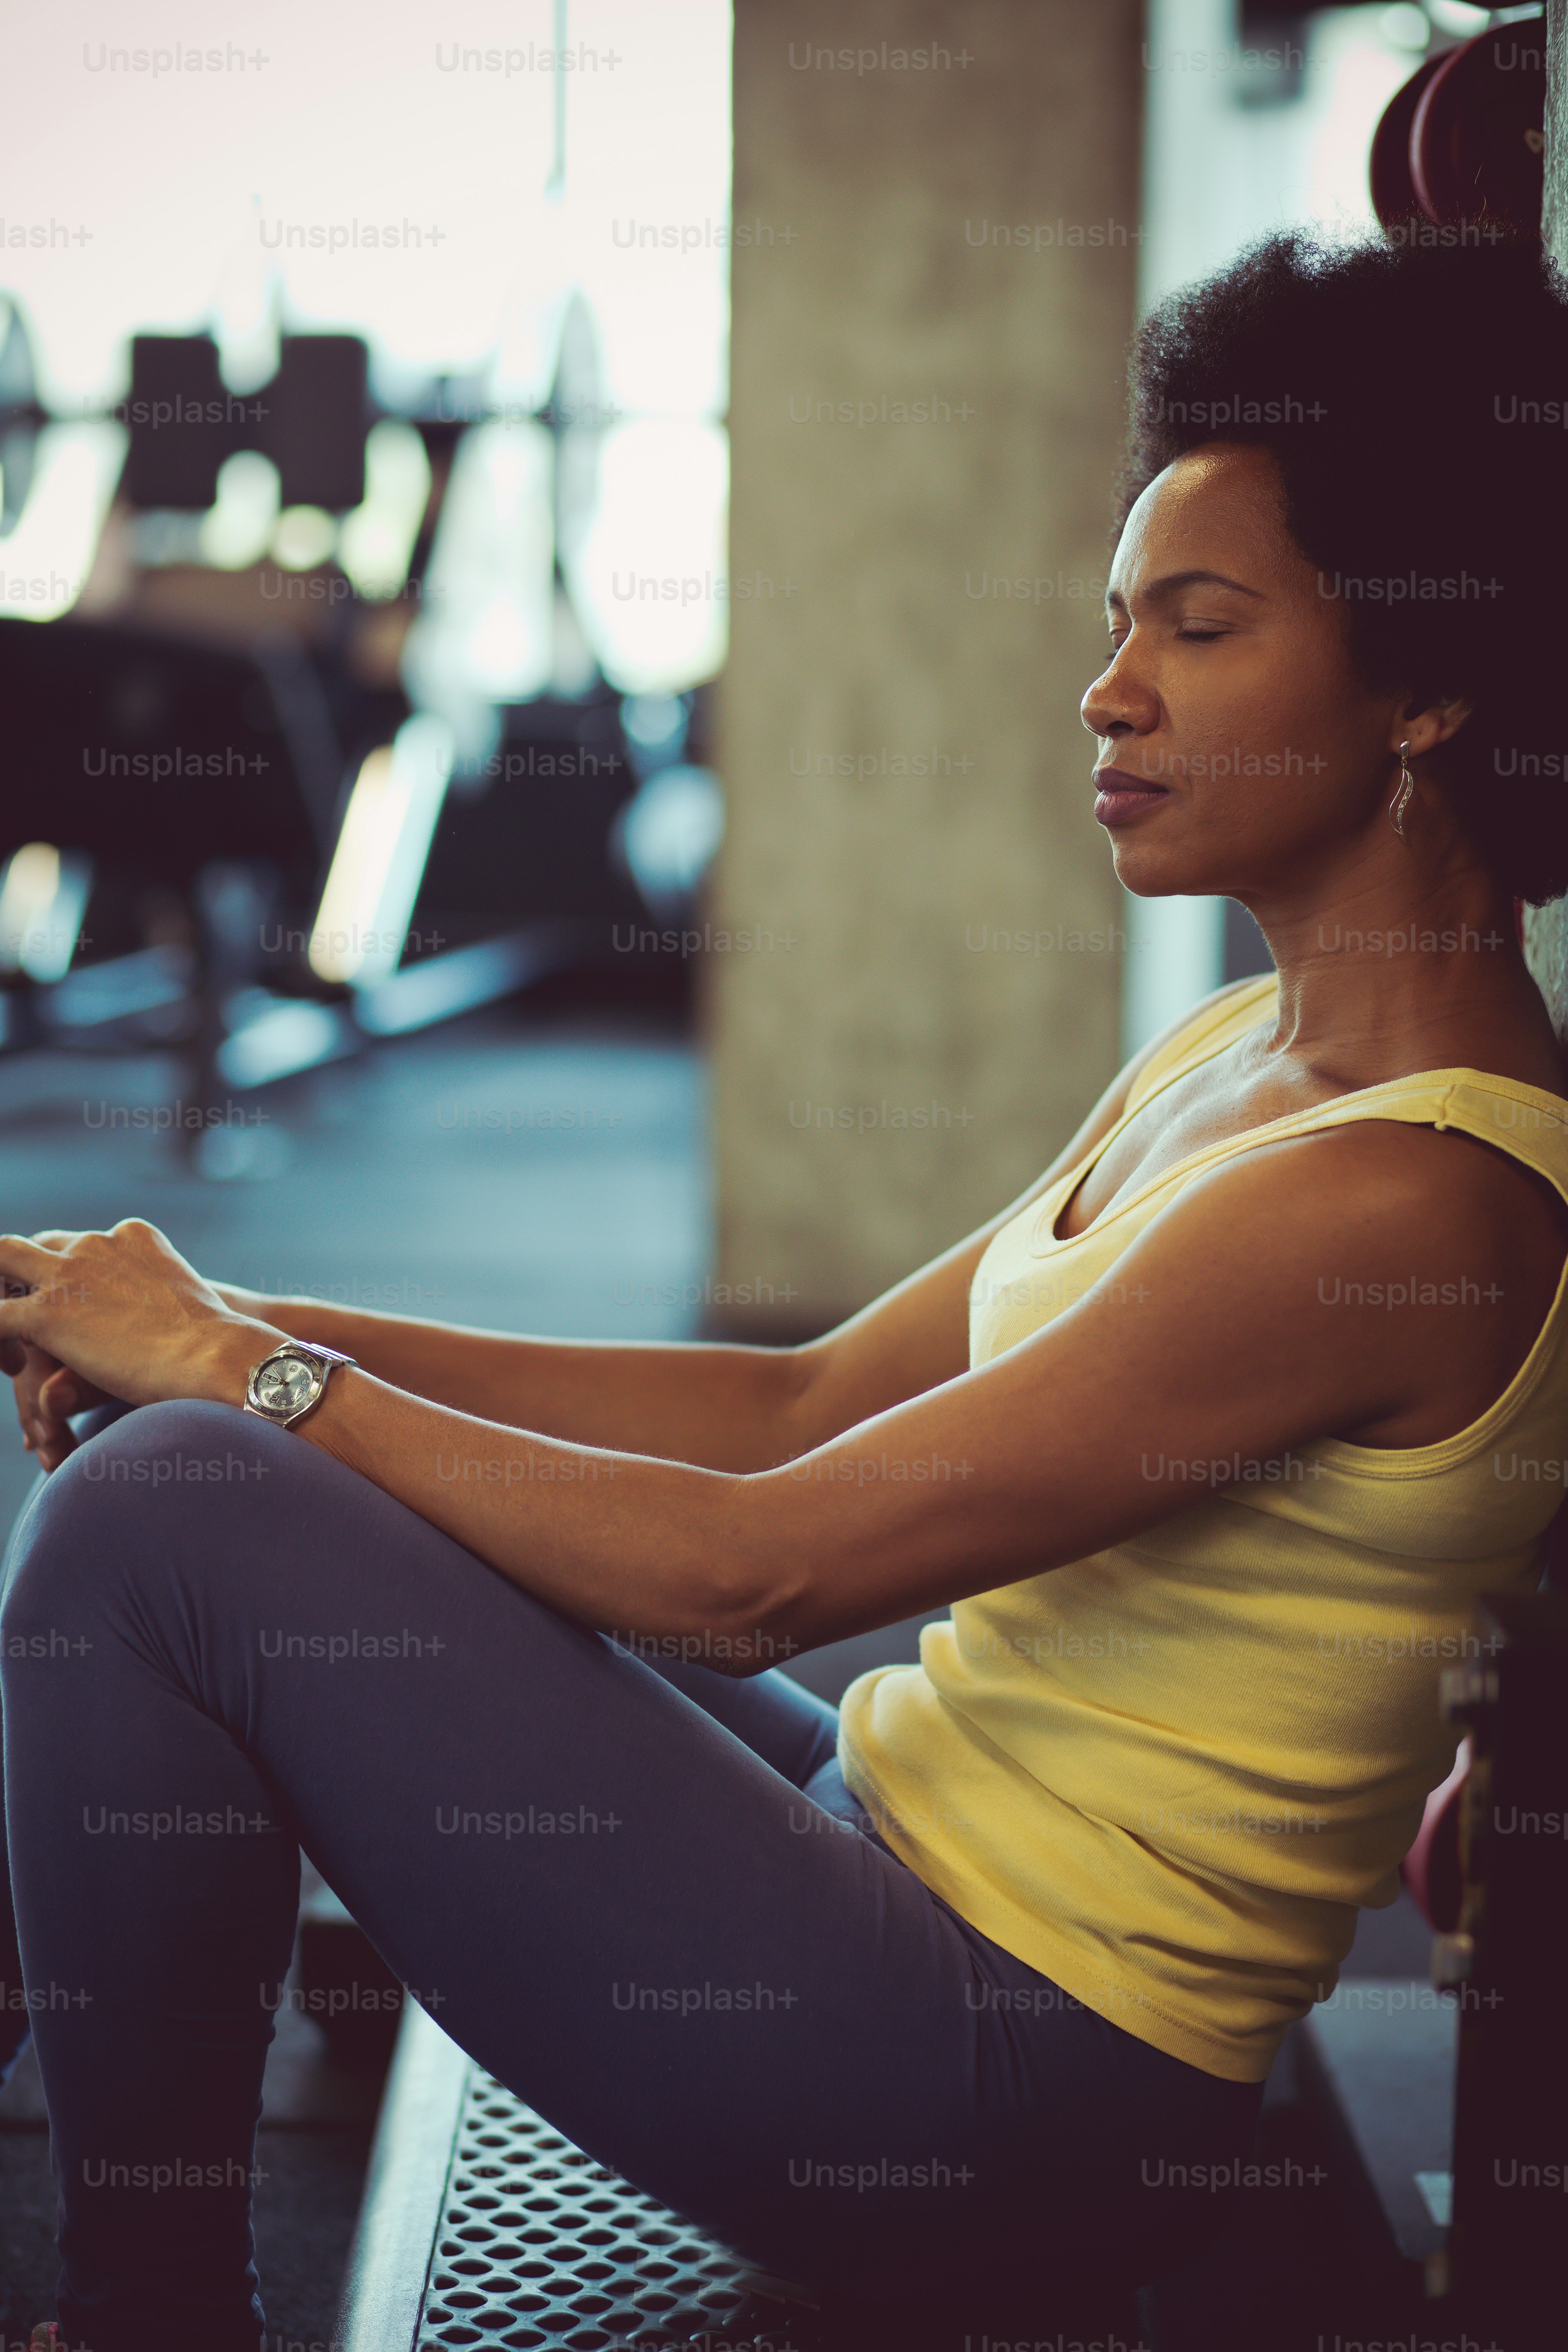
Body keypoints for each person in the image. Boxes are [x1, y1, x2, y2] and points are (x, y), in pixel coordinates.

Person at [5, 226, 1568, 2352]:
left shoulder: (1401, 1202)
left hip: (1007, 2084)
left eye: (1200, 628)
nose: (1111, 689)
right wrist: (230, 1313)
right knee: (230, 1468)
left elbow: (759, 1572)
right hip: (895, 1854)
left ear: (1432, 679)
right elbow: (798, 1400)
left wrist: (236, 1378)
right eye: (1118, 623)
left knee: (166, 1510)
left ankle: (142, 2319)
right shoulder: (1248, 1060)